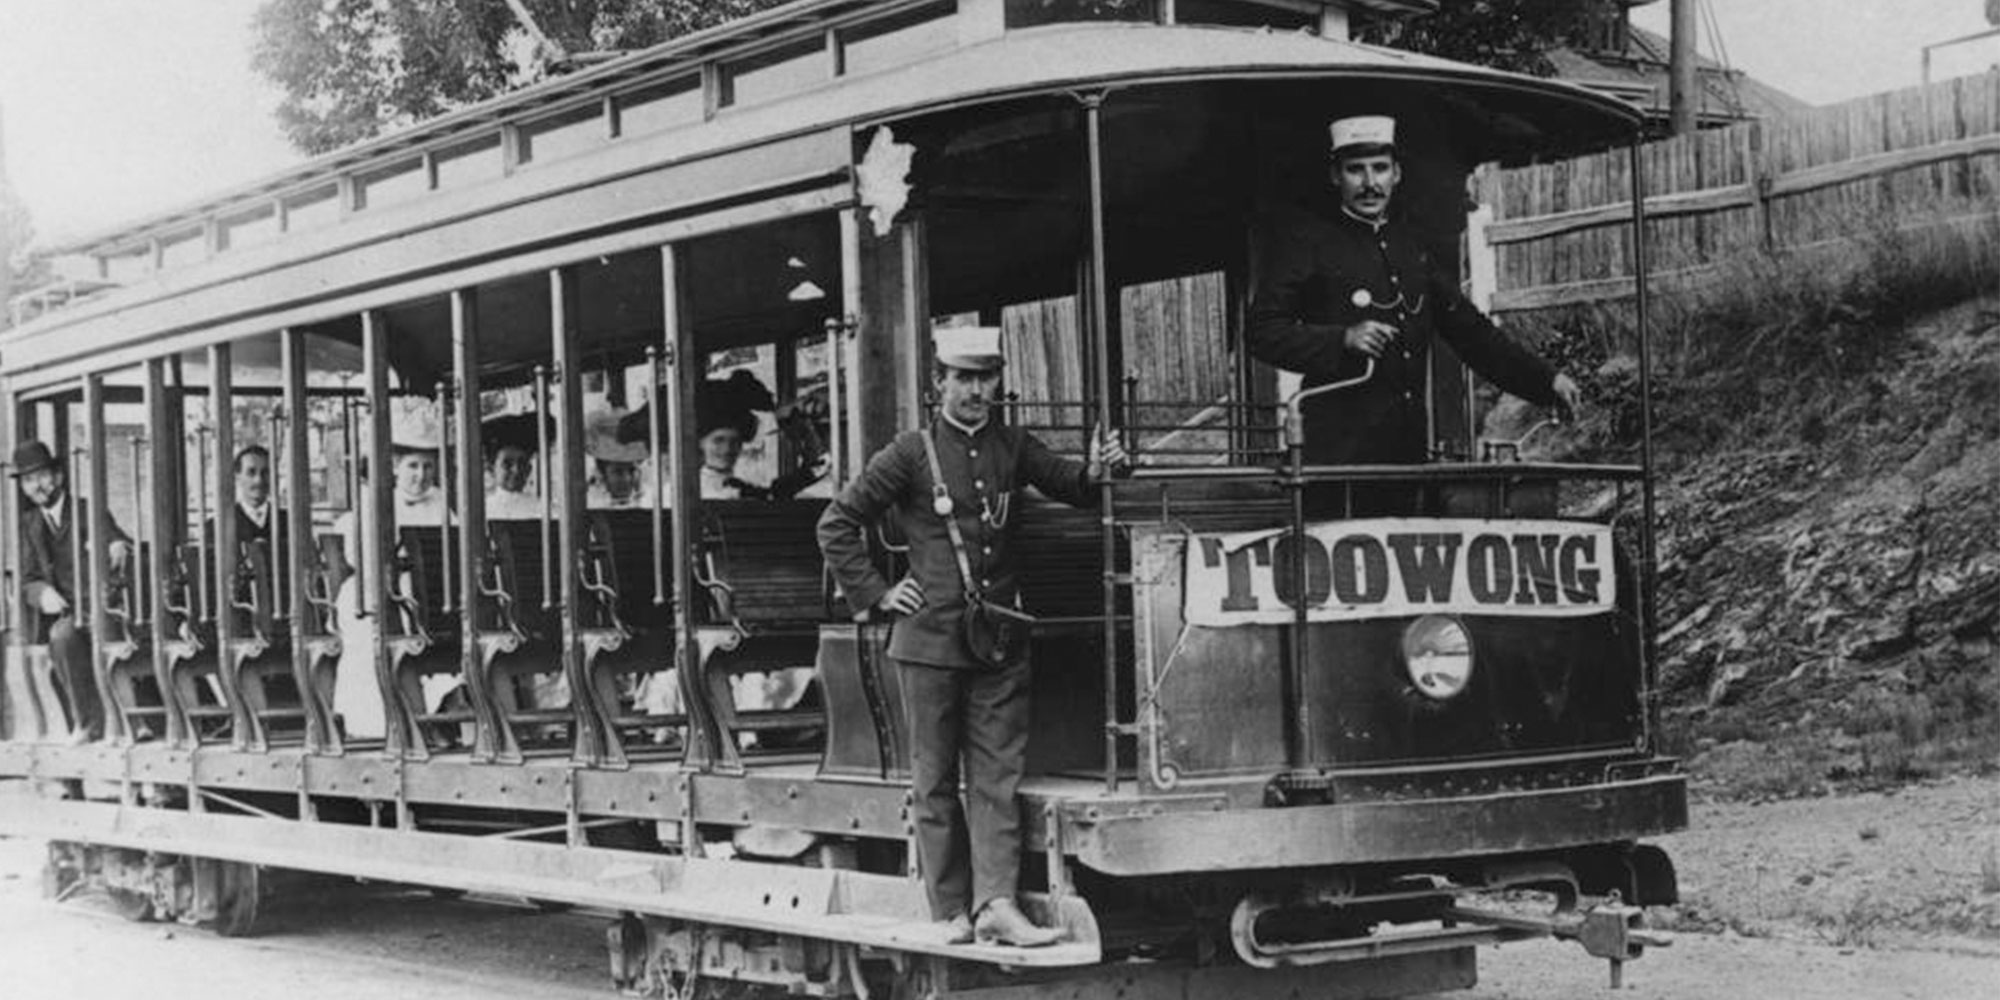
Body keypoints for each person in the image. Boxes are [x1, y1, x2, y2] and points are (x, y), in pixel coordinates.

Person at [816, 326, 1129, 948]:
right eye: (964, 378)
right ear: (939, 385)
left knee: (996, 780)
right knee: (933, 781)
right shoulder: (909, 453)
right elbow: (837, 522)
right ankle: (950, 912)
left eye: (986, 378)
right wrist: (878, 594)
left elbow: (1075, 487)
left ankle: (997, 906)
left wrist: (1099, 467)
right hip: (928, 644)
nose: (976, 391)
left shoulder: (1013, 444)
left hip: (999, 643)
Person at [1246, 114, 1581, 510]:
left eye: (1380, 169)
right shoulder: (1309, 242)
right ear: (1336, 176)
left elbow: (1472, 332)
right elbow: (1262, 331)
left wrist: (1546, 381)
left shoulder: (1409, 247)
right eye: (1356, 170)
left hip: (1405, 459)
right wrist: (1341, 340)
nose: (1370, 183)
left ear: (1397, 173)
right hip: (1335, 466)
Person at [13, 440, 132, 744]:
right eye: (28, 481)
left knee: (97, 639)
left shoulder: (86, 510)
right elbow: (27, 578)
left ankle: (131, 723)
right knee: (62, 636)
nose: (36, 486)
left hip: (105, 607)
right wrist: (41, 594)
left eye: (40, 476)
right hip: (67, 614)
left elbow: (117, 540)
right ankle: (88, 724)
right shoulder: (28, 525)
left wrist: (117, 545)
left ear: (58, 477)